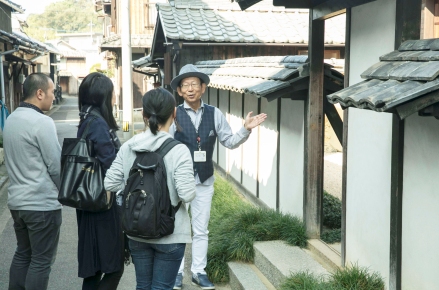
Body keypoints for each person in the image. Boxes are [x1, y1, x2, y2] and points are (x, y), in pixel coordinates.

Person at [170, 64, 267, 290]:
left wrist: (246, 129)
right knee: (178, 228)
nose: (191, 89)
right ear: (180, 91)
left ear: (203, 87)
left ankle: (198, 272)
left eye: (195, 84)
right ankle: (175, 274)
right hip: (178, 181)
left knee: (201, 228)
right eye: (186, 85)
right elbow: (166, 146)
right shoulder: (174, 114)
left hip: (204, 181)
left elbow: (229, 142)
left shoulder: (215, 114)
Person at [104, 87, 195, 290]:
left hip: (137, 231)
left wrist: (131, 189)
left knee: (143, 286)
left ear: (144, 115)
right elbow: (187, 194)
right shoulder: (179, 150)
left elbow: (109, 183)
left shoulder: (129, 146)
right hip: (170, 233)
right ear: (174, 112)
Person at [3, 73, 62, 290]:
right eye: (52, 92)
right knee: (41, 261)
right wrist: (65, 192)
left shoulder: (12, 119)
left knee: (23, 254)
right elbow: (55, 165)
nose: (54, 97)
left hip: (17, 203)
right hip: (41, 205)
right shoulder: (42, 122)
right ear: (39, 93)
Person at [76, 72, 124, 290]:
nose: (115, 97)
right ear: (103, 96)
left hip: (88, 202)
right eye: (112, 93)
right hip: (101, 204)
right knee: (114, 267)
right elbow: (110, 163)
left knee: (94, 270)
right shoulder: (98, 123)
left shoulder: (86, 118)